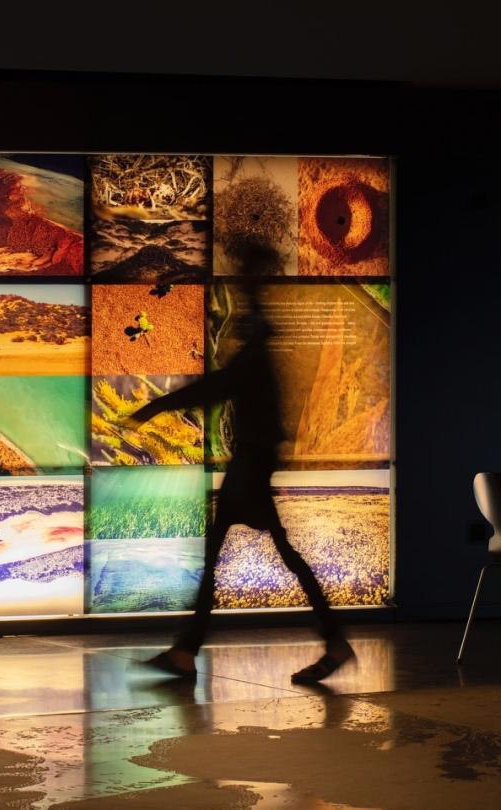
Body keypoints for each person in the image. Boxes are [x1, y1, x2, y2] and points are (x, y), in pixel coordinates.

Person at [124, 257, 355, 683]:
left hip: (249, 466)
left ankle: (188, 649)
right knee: (271, 555)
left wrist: (154, 406)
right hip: (252, 465)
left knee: (234, 556)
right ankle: (330, 641)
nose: (236, 330)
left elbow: (215, 387)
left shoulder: (252, 360)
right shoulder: (257, 356)